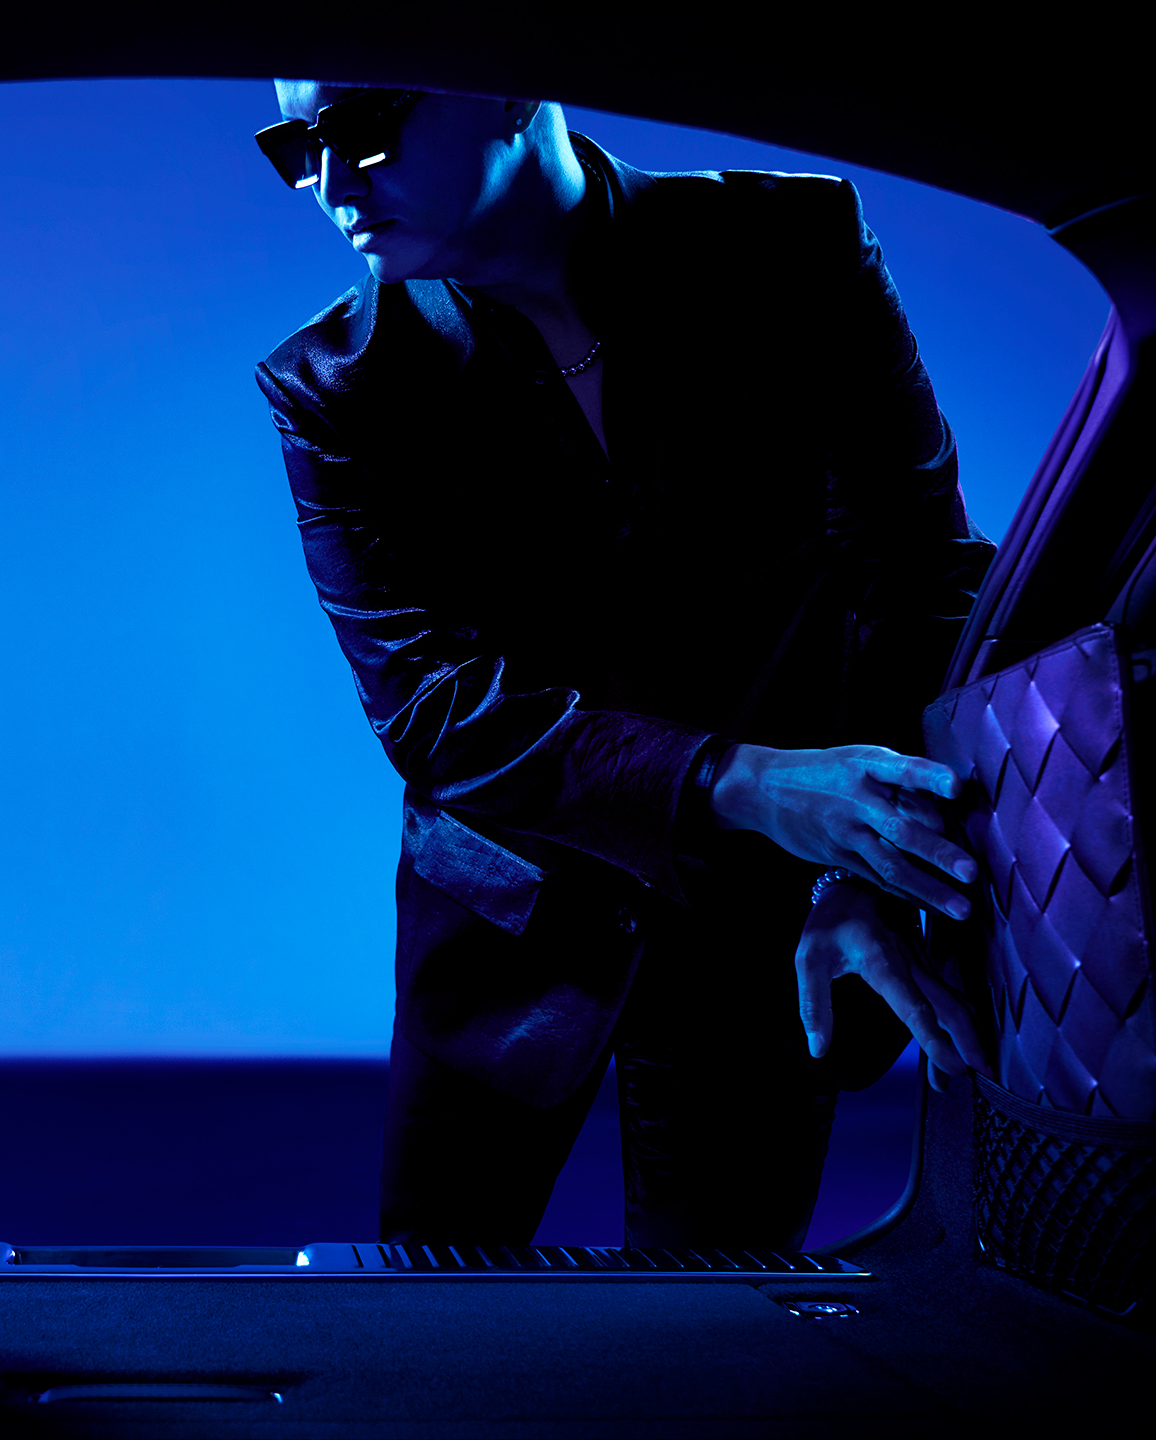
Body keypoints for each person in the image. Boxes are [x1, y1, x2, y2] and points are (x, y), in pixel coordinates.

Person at [252, 83, 994, 1250]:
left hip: (769, 926)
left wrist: (867, 867)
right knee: (427, 1343)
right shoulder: (334, 384)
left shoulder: (793, 250)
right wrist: (742, 781)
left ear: (502, 82)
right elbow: (435, 709)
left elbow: (925, 577)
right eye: (296, 145)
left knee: (721, 1347)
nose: (332, 185)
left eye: (363, 129)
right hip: (502, 925)